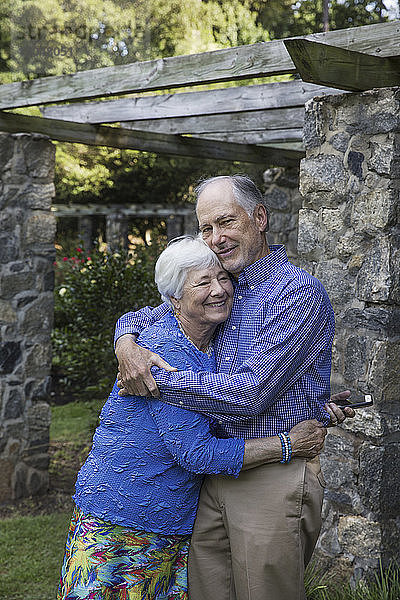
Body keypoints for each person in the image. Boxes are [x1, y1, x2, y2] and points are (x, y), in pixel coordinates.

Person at [114, 175, 354, 600]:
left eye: (226, 222)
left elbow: (249, 395)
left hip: (272, 474)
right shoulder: (223, 281)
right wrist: (127, 344)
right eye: (206, 228)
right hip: (214, 473)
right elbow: (153, 313)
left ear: (259, 217)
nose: (216, 237)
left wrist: (153, 378)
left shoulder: (295, 291)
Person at [57, 236, 328, 600]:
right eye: (203, 282)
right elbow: (197, 454)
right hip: (122, 520)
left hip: (171, 521)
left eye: (223, 278)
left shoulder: (214, 340)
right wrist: (288, 445)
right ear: (174, 301)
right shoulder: (165, 352)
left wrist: (315, 405)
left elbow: (256, 382)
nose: (219, 290)